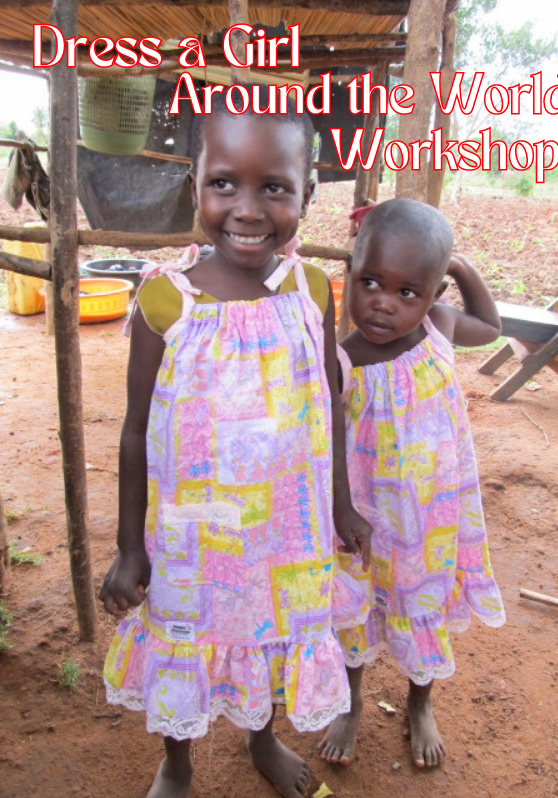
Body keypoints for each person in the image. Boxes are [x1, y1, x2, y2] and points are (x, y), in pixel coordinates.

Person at [99, 85, 371, 798]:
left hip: (289, 529)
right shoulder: (165, 298)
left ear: (307, 194)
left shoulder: (310, 288)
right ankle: (178, 760)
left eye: (274, 188)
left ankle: (261, 736)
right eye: (224, 183)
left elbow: (328, 405)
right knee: (186, 636)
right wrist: (132, 546)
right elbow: (134, 431)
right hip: (193, 535)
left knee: (274, 635)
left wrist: (341, 503)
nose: (248, 210)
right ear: (195, 183)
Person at [319, 198, 506, 771]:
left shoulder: (440, 326)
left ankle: (420, 702)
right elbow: (324, 446)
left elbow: (492, 327)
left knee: (421, 604)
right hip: (367, 519)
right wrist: (343, 509)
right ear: (348, 272)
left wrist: (462, 267)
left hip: (432, 516)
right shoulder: (340, 361)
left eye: (408, 291)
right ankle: (350, 702)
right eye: (371, 281)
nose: (384, 303)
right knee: (357, 607)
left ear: (433, 295)